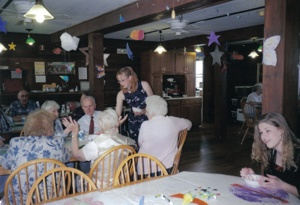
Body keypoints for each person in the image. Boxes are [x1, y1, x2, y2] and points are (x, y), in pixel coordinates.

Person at [0, 109, 71, 204]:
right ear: (50, 127)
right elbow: (67, 158)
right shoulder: (57, 142)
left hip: (19, 199)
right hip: (50, 197)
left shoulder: (16, 142)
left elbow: (5, 164)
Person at [65, 108, 136, 188]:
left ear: (100, 124)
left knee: (76, 179)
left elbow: (76, 155)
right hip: (121, 181)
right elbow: (125, 142)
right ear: (117, 123)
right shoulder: (128, 142)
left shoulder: (96, 144)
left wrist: (74, 133)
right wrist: (113, 127)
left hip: (99, 186)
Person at [240, 112, 300, 197]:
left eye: (268, 131)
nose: (263, 136)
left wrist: (281, 185)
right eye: (261, 132)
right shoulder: (271, 153)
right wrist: (254, 177)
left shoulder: (298, 154)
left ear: (282, 130)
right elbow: (271, 183)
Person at [138, 95, 192, 174]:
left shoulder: (145, 125)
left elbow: (140, 143)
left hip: (146, 170)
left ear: (149, 110)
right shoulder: (173, 121)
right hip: (167, 168)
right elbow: (189, 123)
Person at [115, 66, 153, 143]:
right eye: (119, 81)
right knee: (135, 143)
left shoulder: (144, 85)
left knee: (149, 143)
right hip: (133, 121)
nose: (121, 83)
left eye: (123, 80)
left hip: (149, 118)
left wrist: (144, 111)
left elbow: (154, 103)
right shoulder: (121, 94)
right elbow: (117, 114)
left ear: (130, 77)